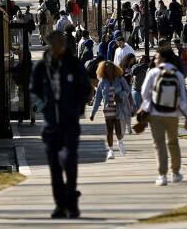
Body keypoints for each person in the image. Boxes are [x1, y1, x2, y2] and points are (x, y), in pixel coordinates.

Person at [30, 29, 91, 219]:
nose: (58, 49)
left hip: (70, 122)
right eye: (55, 45)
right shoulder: (42, 67)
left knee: (70, 163)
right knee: (54, 166)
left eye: (61, 45)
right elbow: (34, 91)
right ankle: (60, 204)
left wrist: (77, 108)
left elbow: (86, 88)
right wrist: (44, 107)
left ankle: (71, 203)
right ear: (51, 45)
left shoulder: (73, 64)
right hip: (51, 125)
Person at [139, 49, 187, 186]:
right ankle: (176, 173)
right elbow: (183, 97)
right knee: (173, 142)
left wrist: (147, 107)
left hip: (155, 114)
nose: (154, 60)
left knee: (159, 144)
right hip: (173, 114)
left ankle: (162, 175)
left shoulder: (153, 73)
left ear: (162, 58)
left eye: (156, 57)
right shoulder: (178, 74)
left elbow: (144, 93)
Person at [90, 61, 132, 159]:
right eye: (106, 68)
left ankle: (120, 141)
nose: (108, 70)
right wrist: (93, 113)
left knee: (118, 129)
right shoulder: (102, 82)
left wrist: (121, 96)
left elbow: (127, 90)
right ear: (103, 70)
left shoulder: (120, 79)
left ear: (114, 69)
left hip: (119, 107)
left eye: (110, 68)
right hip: (108, 108)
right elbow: (98, 99)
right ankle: (111, 150)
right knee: (109, 130)